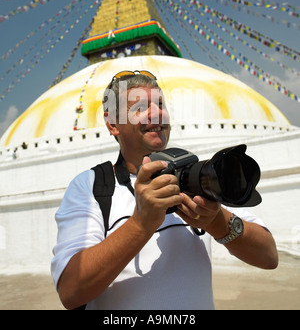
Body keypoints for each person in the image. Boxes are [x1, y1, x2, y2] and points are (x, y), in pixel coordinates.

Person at [51, 70, 278, 310]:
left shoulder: (194, 177)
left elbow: (269, 256)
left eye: (161, 105)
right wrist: (140, 224)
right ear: (113, 124)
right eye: (140, 108)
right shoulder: (92, 186)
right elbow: (70, 291)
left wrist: (216, 221)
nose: (157, 113)